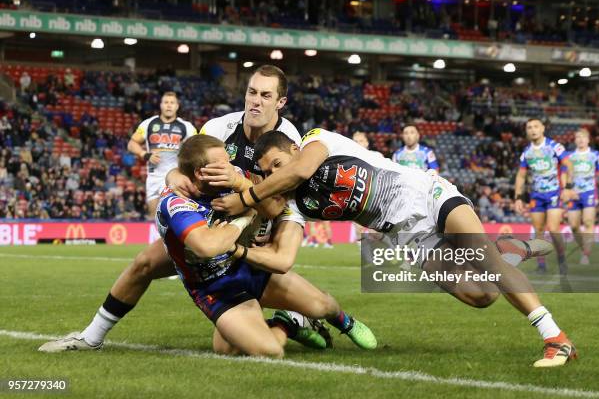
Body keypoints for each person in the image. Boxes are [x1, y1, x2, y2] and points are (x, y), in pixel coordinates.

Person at [37, 65, 365, 352]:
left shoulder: (288, 141)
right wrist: (174, 174)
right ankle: (91, 338)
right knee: (145, 263)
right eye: (252, 92)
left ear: (280, 102)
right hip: (216, 222)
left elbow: (278, 203)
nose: (256, 101)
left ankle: (293, 318)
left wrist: (239, 186)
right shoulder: (219, 127)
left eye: (266, 96)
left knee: (284, 278)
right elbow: (182, 163)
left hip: (263, 225)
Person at [209, 128, 576, 368]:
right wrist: (242, 197)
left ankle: (556, 339)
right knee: (481, 295)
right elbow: (272, 206)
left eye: (277, 163)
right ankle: (505, 249)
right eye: (267, 170)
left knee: (490, 264)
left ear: (293, 148)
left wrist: (251, 193)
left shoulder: (315, 141)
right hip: (406, 235)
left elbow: (299, 172)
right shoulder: (297, 204)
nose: (274, 173)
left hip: (425, 195)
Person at [154, 135, 375, 356]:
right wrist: (245, 217)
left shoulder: (233, 177)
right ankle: (288, 323)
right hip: (213, 288)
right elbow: (207, 247)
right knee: (260, 350)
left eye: (229, 161)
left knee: (323, 306)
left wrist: (241, 186)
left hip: (248, 267)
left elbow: (273, 208)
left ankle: (345, 322)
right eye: (223, 164)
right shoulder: (176, 202)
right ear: (201, 173)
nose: (231, 168)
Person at [514, 118, 574, 275]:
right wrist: (518, 197)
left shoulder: (554, 147)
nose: (532, 130)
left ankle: (562, 259)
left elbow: (569, 165)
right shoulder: (527, 152)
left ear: (542, 129)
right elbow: (521, 176)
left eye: (535, 126)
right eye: (529, 127)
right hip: (536, 195)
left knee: (554, 229)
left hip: (554, 193)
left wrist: (568, 187)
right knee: (538, 230)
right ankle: (541, 265)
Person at [127, 91, 197, 218]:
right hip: (154, 177)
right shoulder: (148, 124)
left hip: (176, 177)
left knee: (174, 216)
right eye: (166, 102)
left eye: (172, 103)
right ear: (161, 105)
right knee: (154, 216)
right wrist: (145, 155)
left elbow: (197, 149)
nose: (169, 105)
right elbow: (132, 144)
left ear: (177, 106)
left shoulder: (187, 127)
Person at [566, 128, 599, 265]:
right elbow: (564, 175)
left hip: (589, 193)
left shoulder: (595, 155)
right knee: (574, 226)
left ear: (588, 139)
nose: (580, 139)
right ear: (574, 140)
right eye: (578, 137)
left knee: (588, 222)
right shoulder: (569, 156)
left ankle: (586, 253)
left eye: (583, 137)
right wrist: (566, 191)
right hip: (573, 194)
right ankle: (583, 247)